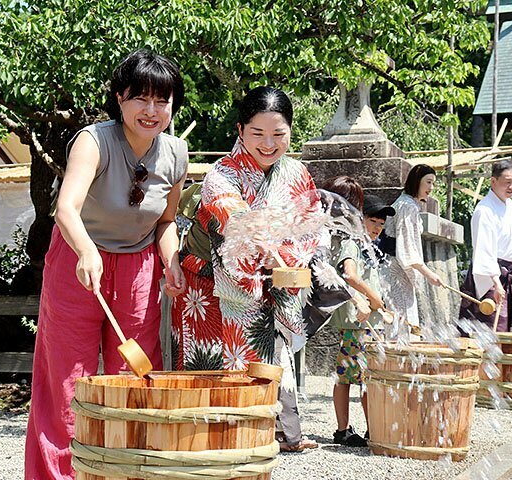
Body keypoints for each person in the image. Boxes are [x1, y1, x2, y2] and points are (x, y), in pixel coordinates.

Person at [25, 50, 188, 479]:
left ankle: (122, 472)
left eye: (163, 101)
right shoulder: (92, 141)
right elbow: (66, 208)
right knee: (67, 380)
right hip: (77, 260)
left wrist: (171, 261)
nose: (152, 111)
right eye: (141, 99)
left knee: (131, 378)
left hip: (138, 267)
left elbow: (166, 220)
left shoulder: (176, 153)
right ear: (119, 98)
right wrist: (87, 251)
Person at [171, 86, 318, 452]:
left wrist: (291, 258)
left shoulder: (297, 173)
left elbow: (313, 222)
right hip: (209, 288)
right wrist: (267, 250)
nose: (268, 144)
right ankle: (212, 448)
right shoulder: (223, 173)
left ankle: (267, 438)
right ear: (240, 130)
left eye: (279, 134)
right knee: (212, 365)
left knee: (271, 358)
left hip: (274, 283)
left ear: (290, 132)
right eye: (258, 134)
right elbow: (233, 217)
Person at [322, 179, 395, 447]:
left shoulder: (366, 246)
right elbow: (349, 275)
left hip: (366, 323)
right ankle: (357, 429)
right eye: (373, 221)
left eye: (381, 224)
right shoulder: (351, 243)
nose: (377, 228)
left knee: (359, 377)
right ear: (360, 218)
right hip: (357, 322)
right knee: (360, 378)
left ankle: (361, 428)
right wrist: (374, 297)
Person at [459, 160, 512, 332]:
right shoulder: (484, 210)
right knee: (489, 330)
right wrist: (496, 283)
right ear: (493, 181)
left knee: (507, 331)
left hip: (506, 275)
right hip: (488, 278)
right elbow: (484, 249)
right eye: (507, 182)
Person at [379, 164, 443, 336]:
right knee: (401, 321)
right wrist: (429, 274)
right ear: (417, 181)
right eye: (428, 182)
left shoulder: (406, 203)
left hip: (394, 268)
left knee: (399, 320)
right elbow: (406, 248)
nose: (431, 188)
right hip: (396, 269)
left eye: (433, 183)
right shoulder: (407, 206)